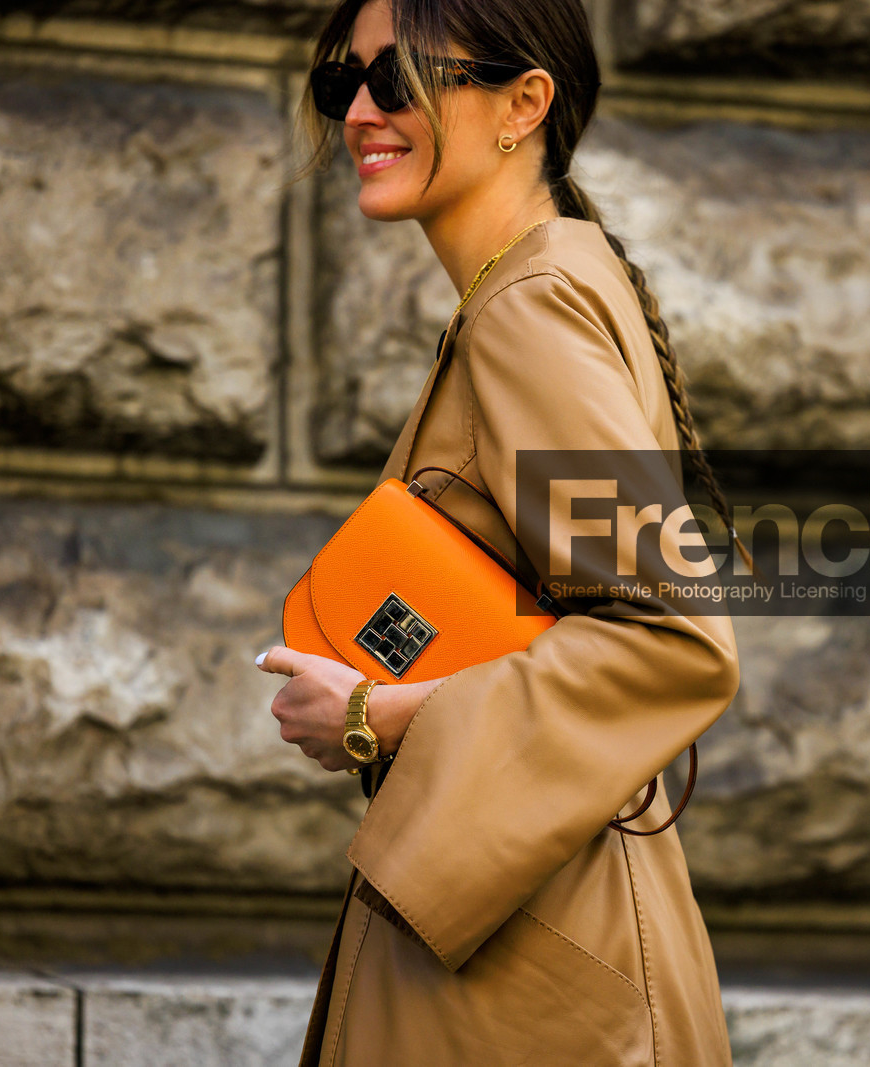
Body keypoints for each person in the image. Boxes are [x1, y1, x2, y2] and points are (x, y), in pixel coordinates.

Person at [254, 0, 752, 1062]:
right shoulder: (530, 289)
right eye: (345, 81)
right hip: (528, 936)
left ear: (525, 103)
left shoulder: (531, 307)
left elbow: (671, 638)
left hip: (537, 968)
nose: (359, 112)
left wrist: (374, 716)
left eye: (398, 79)